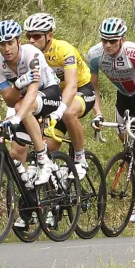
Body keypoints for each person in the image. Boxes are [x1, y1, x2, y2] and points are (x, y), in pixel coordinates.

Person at [0, 19, 62, 187]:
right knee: (16, 151)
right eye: (1, 44)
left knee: (22, 108)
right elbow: (9, 99)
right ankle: (29, 193)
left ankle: (43, 158)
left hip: (50, 92)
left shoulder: (31, 54)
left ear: (19, 42)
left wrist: (18, 116)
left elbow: (33, 91)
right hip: (24, 100)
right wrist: (17, 85)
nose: (6, 49)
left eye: (10, 43)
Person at [23, 13, 93, 179]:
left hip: (81, 89)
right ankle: (57, 178)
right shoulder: (29, 54)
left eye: (36, 36)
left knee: (68, 113)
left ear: (49, 36)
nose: (31, 40)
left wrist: (59, 111)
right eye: (28, 36)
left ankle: (80, 158)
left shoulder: (64, 49)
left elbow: (72, 85)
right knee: (48, 146)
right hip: (56, 93)